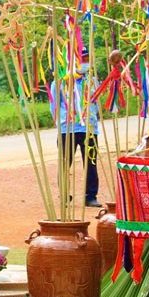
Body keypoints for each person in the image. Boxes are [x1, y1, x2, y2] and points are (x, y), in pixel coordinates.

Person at [48, 47, 101, 207]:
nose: (85, 62)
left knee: (91, 163)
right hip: (67, 129)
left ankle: (90, 196)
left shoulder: (92, 80)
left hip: (89, 129)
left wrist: (92, 118)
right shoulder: (59, 82)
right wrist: (62, 122)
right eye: (81, 59)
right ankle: (64, 195)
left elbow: (96, 102)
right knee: (65, 163)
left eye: (86, 59)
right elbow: (54, 107)